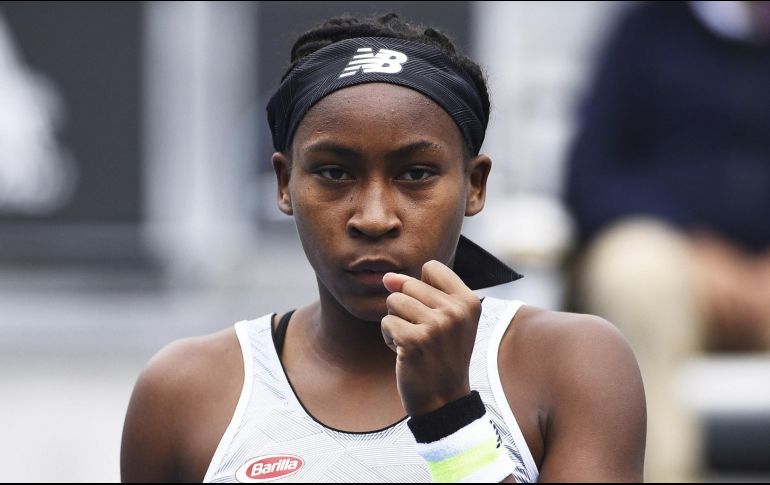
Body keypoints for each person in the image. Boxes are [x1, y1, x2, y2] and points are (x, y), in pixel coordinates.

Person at [121, 13, 645, 483]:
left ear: (475, 186)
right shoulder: (185, 391)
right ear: (284, 184)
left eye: (416, 174)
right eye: (333, 173)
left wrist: (448, 417)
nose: (373, 218)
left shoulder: (573, 364)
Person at [565, 1, 770, 481]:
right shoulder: (648, 32)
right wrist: (696, 249)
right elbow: (590, 178)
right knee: (633, 270)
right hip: (674, 266)